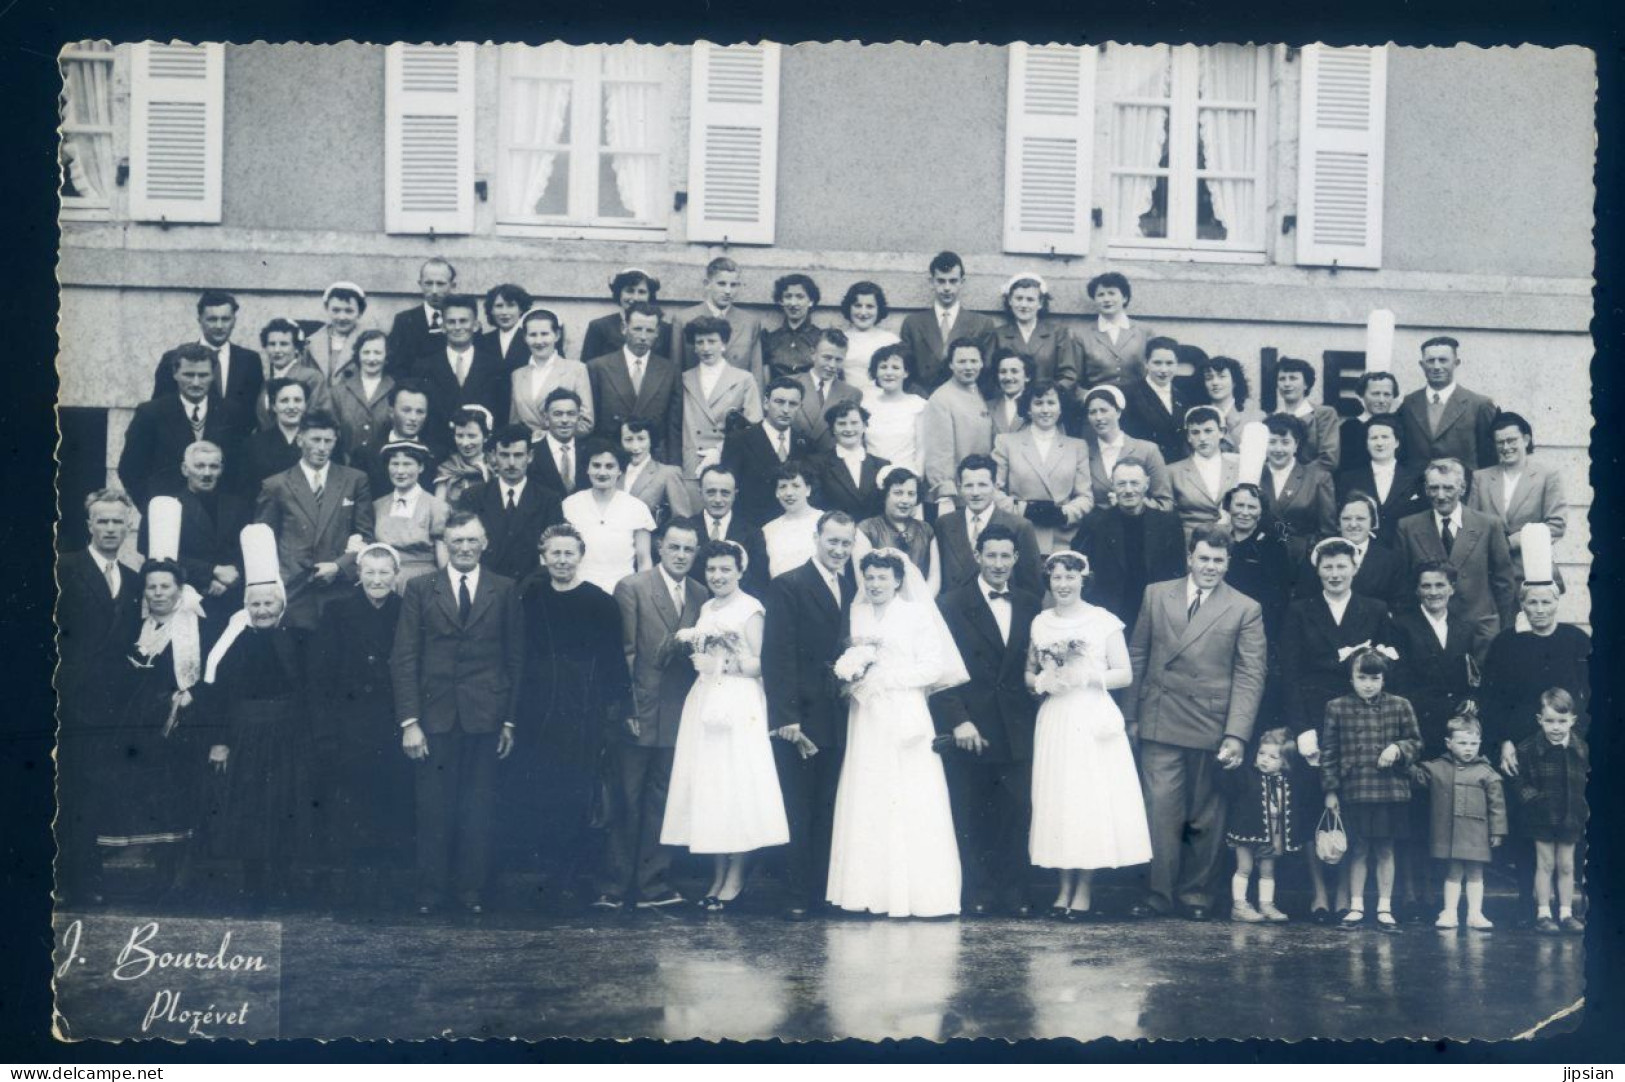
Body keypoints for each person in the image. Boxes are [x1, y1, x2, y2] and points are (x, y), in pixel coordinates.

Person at [1124, 527, 1267, 921]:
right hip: (1159, 718)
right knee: (1160, 810)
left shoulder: (1244, 607)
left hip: (1212, 724)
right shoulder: (1156, 594)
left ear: (1228, 563)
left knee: (1206, 815)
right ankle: (1158, 895)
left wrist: (1237, 734)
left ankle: (1197, 896)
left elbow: (1250, 674)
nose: (1210, 567)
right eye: (1204, 558)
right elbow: (1137, 655)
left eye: (1219, 560)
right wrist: (1131, 715)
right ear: (1190, 557)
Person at [393, 512, 524, 916]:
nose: (464, 548)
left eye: (471, 541)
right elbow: (404, 656)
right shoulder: (420, 588)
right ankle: (430, 894)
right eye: (456, 542)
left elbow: (514, 659)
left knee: (478, 809)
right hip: (434, 719)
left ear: (484, 542)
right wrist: (410, 721)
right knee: (433, 809)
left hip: (485, 717)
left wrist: (508, 720)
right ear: (444, 546)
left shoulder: (504, 589)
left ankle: (472, 893)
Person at [826, 549, 968, 918]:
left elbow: (933, 667)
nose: (875, 584)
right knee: (869, 790)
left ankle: (919, 895)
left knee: (910, 793)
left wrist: (887, 680)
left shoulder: (916, 614)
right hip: (867, 715)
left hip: (904, 709)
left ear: (898, 580)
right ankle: (865, 891)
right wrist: (855, 678)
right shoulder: (856, 613)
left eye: (882, 578)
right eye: (869, 577)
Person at [661, 540, 790, 910]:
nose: (717, 576)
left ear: (739, 571)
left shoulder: (751, 610)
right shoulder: (706, 607)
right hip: (706, 701)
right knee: (712, 789)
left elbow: (765, 663)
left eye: (725, 570)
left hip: (738, 703)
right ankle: (717, 875)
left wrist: (722, 667)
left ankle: (736, 876)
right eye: (712, 570)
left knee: (735, 787)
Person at [1025, 551, 1151, 920]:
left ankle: (1084, 888)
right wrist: (1046, 681)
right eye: (1057, 578)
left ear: (1083, 579)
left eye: (1070, 577)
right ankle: (1063, 886)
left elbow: (1125, 673)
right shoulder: (1041, 622)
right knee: (1061, 799)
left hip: (1092, 715)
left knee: (1088, 799)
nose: (1063, 585)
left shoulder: (1103, 621)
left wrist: (1087, 677)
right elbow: (1030, 673)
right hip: (1057, 716)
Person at [515, 524, 632, 904]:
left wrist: (613, 711)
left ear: (580, 556)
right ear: (543, 557)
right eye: (555, 553)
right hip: (540, 709)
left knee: (580, 794)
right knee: (542, 791)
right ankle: (549, 875)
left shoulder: (599, 602)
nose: (562, 560)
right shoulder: (530, 599)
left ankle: (574, 876)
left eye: (569, 553)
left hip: (584, 710)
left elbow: (614, 660)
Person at [931, 524, 1039, 917]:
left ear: (1016, 559)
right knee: (972, 814)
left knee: (1015, 811)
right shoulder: (950, 603)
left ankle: (1013, 892)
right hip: (972, 727)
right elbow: (939, 669)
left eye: (1005, 556)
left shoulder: (1031, 603)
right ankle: (976, 892)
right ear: (977, 556)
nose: (998, 564)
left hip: (1017, 726)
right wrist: (958, 721)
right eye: (990, 555)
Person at [199, 525, 308, 911]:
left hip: (287, 734)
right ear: (247, 607)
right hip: (246, 734)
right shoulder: (235, 644)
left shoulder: (298, 639)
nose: (263, 611)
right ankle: (253, 884)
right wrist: (219, 740)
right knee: (249, 807)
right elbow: (220, 695)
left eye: (269, 604)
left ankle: (283, 882)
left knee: (283, 805)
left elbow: (305, 690)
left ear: (281, 606)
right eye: (256, 604)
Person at [603, 522, 705, 910]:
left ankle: (653, 883)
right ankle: (614, 883)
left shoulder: (700, 592)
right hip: (640, 709)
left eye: (689, 549)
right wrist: (626, 706)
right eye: (675, 547)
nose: (681, 555)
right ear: (660, 547)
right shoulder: (634, 587)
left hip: (680, 712)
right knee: (627, 797)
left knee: (664, 799)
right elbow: (626, 652)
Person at [761, 511, 859, 920]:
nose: (839, 550)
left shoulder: (855, 584)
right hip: (802, 714)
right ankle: (797, 892)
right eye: (832, 541)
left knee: (829, 803)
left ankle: (823, 890)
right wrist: (787, 716)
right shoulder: (789, 585)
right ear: (816, 538)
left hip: (841, 712)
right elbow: (777, 654)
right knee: (800, 804)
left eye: (846, 543)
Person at [98, 554, 211, 902]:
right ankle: (154, 877)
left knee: (177, 795)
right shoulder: (137, 626)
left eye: (166, 586)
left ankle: (178, 878)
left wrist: (189, 697)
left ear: (179, 591)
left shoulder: (196, 628)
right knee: (145, 796)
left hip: (179, 725)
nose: (159, 593)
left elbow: (210, 674)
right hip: (138, 725)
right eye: (152, 587)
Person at [311, 543, 413, 909]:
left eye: (385, 572)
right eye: (369, 572)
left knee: (389, 800)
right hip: (349, 724)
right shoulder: (337, 612)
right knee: (352, 804)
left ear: (396, 575)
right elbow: (321, 677)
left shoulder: (405, 611)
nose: (377, 579)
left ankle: (386, 882)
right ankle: (353, 883)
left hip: (391, 720)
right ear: (358, 575)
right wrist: (326, 731)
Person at [55, 489, 144, 905]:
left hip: (110, 704)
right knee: (66, 790)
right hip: (65, 701)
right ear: (89, 525)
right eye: (103, 521)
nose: (110, 528)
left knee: (94, 788)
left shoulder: (132, 577)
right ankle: (66, 878)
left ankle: (86, 879)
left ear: (129, 526)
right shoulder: (63, 568)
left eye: (118, 522)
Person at [1320, 645, 1421, 930]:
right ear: (1351, 678)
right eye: (1362, 678)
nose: (1368, 685)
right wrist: (1330, 791)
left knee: (1386, 849)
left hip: (1390, 789)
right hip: (1356, 788)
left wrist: (1398, 749)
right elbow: (1329, 752)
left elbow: (1416, 742)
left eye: (1375, 679)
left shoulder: (1400, 705)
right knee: (1359, 848)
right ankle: (1356, 906)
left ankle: (1385, 907)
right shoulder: (1337, 707)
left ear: (1384, 680)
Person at [254, 410, 374, 630]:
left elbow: (366, 535)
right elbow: (264, 543)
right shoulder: (276, 485)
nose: (322, 447)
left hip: (340, 587)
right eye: (315, 439)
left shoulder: (354, 480)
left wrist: (338, 567)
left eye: (328, 441)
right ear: (300, 439)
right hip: (294, 588)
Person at [1395, 458, 1517, 642]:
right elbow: (1403, 585)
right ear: (1426, 490)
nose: (1441, 495)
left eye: (1448, 488)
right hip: (1430, 631)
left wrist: (1505, 631)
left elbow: (1504, 583)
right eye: (1434, 488)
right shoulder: (1408, 527)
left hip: (1480, 627)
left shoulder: (1489, 525)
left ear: (1463, 488)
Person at [1411, 707, 1507, 931]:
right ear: (1449, 743)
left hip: (1476, 833)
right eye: (1462, 743)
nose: (1468, 749)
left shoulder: (1487, 772)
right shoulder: (1438, 768)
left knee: (1475, 873)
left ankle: (1475, 913)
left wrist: (1497, 831)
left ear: (1480, 743)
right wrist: (1401, 757)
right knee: (1453, 872)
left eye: (1473, 744)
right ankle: (1450, 912)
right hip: (1450, 834)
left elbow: (1497, 806)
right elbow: (1416, 777)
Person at [1071, 459, 1187, 636]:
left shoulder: (1168, 523)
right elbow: (1080, 571)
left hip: (1155, 614)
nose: (1128, 490)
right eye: (1121, 484)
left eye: (1134, 483)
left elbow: (1178, 574)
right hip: (1108, 614)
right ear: (1113, 486)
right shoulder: (1095, 524)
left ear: (1146, 484)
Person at [120, 345, 244, 508]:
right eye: (188, 375)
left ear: (213, 375)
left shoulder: (231, 412)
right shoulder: (151, 413)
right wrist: (152, 506)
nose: (196, 382)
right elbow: (130, 468)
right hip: (168, 511)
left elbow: (239, 467)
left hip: (218, 514)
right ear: (175, 374)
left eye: (203, 375)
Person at [1512, 688, 1588, 935]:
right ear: (1539, 720)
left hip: (1570, 815)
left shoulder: (1581, 749)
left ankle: (1566, 913)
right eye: (1550, 721)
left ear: (1573, 721)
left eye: (1562, 721)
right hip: (1541, 816)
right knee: (1544, 864)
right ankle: (1543, 913)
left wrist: (1584, 807)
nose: (1556, 727)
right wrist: (1535, 800)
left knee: (1566, 865)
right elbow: (1520, 783)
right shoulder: (1527, 750)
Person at [1391, 562, 1488, 754]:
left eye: (1440, 585)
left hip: (1457, 727)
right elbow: (1400, 682)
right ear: (1417, 590)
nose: (1433, 592)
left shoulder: (1465, 628)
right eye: (1426, 586)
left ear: (1451, 588)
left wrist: (1471, 698)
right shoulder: (1401, 627)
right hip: (1420, 722)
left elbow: (1472, 676)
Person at [1466, 411, 1569, 586]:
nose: (1506, 447)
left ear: (1526, 440)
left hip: (1532, 572)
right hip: (1490, 576)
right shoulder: (1480, 478)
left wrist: (1513, 542)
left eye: (1511, 440)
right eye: (1500, 442)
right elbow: (1471, 525)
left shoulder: (1547, 475)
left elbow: (1556, 525)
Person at [992, 379, 1092, 554]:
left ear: (1060, 409)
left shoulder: (1076, 446)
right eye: (1038, 403)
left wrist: (1063, 513)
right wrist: (1023, 509)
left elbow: (1086, 497)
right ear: (1028, 409)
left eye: (1051, 403)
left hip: (1061, 538)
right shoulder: (1006, 442)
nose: (1045, 410)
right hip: (1018, 535)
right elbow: (993, 491)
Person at [1220, 728, 1309, 923]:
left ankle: (1266, 904)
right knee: (1244, 868)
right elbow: (1227, 786)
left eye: (1272, 756)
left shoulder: (1288, 782)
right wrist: (1225, 764)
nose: (1264, 759)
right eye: (1261, 753)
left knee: (1268, 871)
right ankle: (1239, 906)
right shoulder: (1247, 776)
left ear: (1284, 762)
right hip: (1246, 831)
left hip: (1273, 834)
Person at [933, 454, 1044, 598]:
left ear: (995, 486)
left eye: (982, 485)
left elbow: (1033, 589)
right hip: (953, 615)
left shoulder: (1019, 526)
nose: (975, 493)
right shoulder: (944, 524)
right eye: (969, 485)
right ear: (959, 488)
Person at [152, 290, 263, 431]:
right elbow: (160, 407)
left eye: (225, 319)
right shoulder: (174, 357)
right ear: (200, 320)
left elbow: (253, 411)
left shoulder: (250, 360)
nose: (219, 326)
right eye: (212, 319)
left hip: (235, 445)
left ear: (234, 321)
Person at [464, 424, 563, 580]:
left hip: (531, 586)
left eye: (518, 455)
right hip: (485, 585)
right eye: (504, 455)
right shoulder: (474, 497)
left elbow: (554, 548)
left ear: (530, 456)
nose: (511, 463)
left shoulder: (548, 499)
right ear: (493, 456)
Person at [678, 316, 764, 493]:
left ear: (723, 344)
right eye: (700, 342)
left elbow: (754, 425)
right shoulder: (683, 379)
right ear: (693, 347)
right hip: (692, 462)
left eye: (712, 341)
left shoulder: (743, 379)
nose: (706, 348)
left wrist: (719, 450)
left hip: (728, 460)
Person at [407, 293, 510, 440]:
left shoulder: (496, 366)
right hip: (437, 450)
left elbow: (502, 416)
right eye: (451, 322)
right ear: (443, 327)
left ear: (475, 325)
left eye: (463, 321)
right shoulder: (423, 366)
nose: (457, 327)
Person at [586, 301, 682, 459]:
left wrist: (674, 464)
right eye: (637, 329)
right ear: (624, 328)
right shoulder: (598, 367)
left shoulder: (670, 371)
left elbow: (674, 426)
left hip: (653, 458)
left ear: (657, 332)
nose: (643, 337)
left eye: (649, 330)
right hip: (610, 457)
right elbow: (593, 424)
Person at [1395, 336, 1500, 473]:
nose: (1437, 366)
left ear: (1456, 363)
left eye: (1443, 360)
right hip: (1415, 488)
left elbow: (1490, 458)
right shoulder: (1409, 403)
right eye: (1431, 361)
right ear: (1422, 364)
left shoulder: (1479, 405)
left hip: (1462, 489)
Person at [563, 440, 656, 593]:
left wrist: (641, 595)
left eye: (610, 466)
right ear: (587, 468)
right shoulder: (570, 505)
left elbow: (644, 560)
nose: (602, 472)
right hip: (579, 589)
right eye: (596, 465)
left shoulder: (637, 507)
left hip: (623, 591)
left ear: (620, 470)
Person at [1292, 491, 1409, 611]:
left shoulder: (1390, 561)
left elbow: (1399, 605)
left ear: (1372, 522)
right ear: (1338, 522)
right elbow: (1303, 599)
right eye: (1346, 518)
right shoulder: (1320, 553)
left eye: (1360, 518)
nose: (1353, 524)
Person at [168, 442, 252, 610]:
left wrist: (231, 578)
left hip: (233, 598)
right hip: (186, 598)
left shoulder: (237, 506)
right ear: (185, 469)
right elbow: (162, 557)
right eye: (199, 466)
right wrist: (211, 573)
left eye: (213, 466)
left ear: (220, 470)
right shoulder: (169, 507)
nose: (207, 473)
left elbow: (249, 550)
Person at [897, 251, 997, 391]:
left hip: (965, 398)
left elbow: (987, 370)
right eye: (941, 281)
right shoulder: (913, 323)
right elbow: (904, 368)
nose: (947, 288)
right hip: (923, 400)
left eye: (953, 281)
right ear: (931, 282)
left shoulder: (982, 324)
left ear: (962, 282)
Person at [722, 377, 812, 527]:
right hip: (753, 527)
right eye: (779, 402)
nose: (785, 409)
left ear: (800, 407)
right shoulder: (739, 440)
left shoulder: (805, 444)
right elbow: (730, 489)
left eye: (793, 404)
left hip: (794, 526)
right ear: (765, 403)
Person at [923, 339, 996, 514]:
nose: (968, 367)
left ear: (981, 363)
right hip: (959, 494)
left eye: (973, 361)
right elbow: (939, 452)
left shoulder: (979, 392)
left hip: (982, 488)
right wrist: (947, 492)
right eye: (962, 361)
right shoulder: (942, 398)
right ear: (951, 365)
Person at [670, 257, 765, 382]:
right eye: (721, 284)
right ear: (707, 284)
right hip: (698, 396)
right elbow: (676, 369)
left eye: (733, 285)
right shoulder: (683, 319)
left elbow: (756, 374)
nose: (728, 291)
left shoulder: (749, 323)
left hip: (736, 397)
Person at [1258, 413, 1336, 566]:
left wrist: (1308, 553)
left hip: (1302, 560)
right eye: (1272, 442)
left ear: (1296, 445)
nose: (1278, 449)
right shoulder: (1255, 476)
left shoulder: (1318, 478)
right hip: (1260, 558)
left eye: (1285, 442)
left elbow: (1328, 530)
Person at [1336, 415, 1425, 547]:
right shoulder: (1349, 479)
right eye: (1374, 438)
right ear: (1366, 444)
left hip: (1406, 549)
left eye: (1385, 437)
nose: (1379, 443)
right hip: (1365, 551)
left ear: (1396, 442)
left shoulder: (1415, 478)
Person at [1081, 385, 1173, 512]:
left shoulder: (1147, 450)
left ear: (1118, 412)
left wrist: (1136, 503)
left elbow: (1165, 504)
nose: (1098, 417)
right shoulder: (1084, 453)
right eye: (1092, 412)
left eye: (1104, 410)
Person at [372, 441, 449, 592]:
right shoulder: (378, 506)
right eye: (395, 464)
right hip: (384, 582)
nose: (400, 471)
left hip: (423, 582)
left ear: (421, 467)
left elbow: (442, 554)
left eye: (407, 464)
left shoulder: (436, 507)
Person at [684, 465, 769, 599]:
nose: (718, 500)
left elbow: (759, 582)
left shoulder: (752, 533)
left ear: (735, 494)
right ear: (700, 492)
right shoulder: (686, 529)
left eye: (725, 493)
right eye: (711, 492)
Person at [853, 465, 939, 595]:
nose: (905, 500)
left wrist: (922, 604)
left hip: (922, 605)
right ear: (885, 495)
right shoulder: (866, 529)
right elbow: (863, 579)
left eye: (911, 494)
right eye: (898, 493)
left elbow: (935, 576)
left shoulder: (926, 530)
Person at [509, 306, 594, 437]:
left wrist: (548, 437)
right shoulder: (517, 375)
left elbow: (586, 423)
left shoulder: (576, 370)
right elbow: (514, 423)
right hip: (528, 450)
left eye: (544, 334)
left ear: (557, 335)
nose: (539, 341)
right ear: (525, 338)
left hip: (562, 448)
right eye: (532, 335)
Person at [988, 273, 1080, 392]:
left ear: (1040, 303)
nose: (1024, 305)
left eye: (1030, 300)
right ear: (1010, 301)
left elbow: (1069, 375)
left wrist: (1049, 395)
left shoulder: (1057, 334)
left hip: (1045, 403)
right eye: (1019, 298)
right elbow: (990, 374)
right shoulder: (998, 335)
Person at [1167, 406, 1240, 540]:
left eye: (1208, 431)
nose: (1202, 438)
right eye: (1195, 432)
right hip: (1190, 543)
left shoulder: (1238, 469)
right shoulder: (1173, 472)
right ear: (1188, 436)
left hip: (1230, 542)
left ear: (1221, 432)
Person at [349, 381, 435, 495]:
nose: (413, 417)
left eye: (420, 412)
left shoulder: (435, 456)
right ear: (391, 412)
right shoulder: (365, 455)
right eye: (406, 410)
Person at [1120, 337, 1193, 466]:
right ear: (1146, 363)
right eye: (1157, 363)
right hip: (1143, 466)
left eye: (1169, 363)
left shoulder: (1182, 397)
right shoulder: (1129, 395)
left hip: (1176, 467)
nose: (1163, 370)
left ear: (1177, 364)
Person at [811, 399, 888, 521]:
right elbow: (816, 506)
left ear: (864, 426)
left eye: (854, 423)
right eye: (841, 424)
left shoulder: (882, 465)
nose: (848, 428)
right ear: (833, 429)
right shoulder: (817, 464)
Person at [1072, 271, 1152, 388]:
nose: (1106, 299)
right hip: (1098, 401)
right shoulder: (1081, 336)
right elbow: (1076, 381)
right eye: (1101, 295)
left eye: (1111, 293)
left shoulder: (1144, 332)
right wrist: (1090, 398)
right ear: (1094, 300)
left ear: (1124, 298)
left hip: (1138, 401)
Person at [791, 328, 863, 455]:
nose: (832, 365)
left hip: (831, 467)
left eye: (838, 360)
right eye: (827, 358)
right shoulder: (790, 385)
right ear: (813, 354)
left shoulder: (852, 394)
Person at [861, 343, 928, 477]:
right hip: (871, 478)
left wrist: (916, 479)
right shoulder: (865, 404)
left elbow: (922, 450)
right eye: (883, 367)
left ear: (906, 373)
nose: (889, 373)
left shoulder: (919, 405)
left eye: (896, 368)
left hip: (906, 478)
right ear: (876, 372)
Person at [580, 268, 674, 363]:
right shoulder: (599, 327)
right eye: (629, 291)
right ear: (619, 294)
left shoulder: (665, 329)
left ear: (649, 296)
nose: (635, 298)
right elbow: (588, 367)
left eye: (642, 292)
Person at [328, 329, 396, 456]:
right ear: (358, 355)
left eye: (377, 353)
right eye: (366, 352)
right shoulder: (339, 392)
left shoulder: (395, 389)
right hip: (347, 467)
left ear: (386, 355)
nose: (371, 358)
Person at [386, 257, 457, 375]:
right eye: (428, 283)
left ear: (452, 285)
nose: (434, 290)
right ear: (420, 284)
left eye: (440, 284)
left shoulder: (462, 321)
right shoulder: (404, 321)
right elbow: (395, 366)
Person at [240, 378, 311, 493]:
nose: (291, 406)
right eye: (284, 401)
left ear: (305, 405)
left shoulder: (319, 442)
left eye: (297, 400)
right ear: (274, 406)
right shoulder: (254, 445)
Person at [620, 419, 695, 526]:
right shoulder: (614, 473)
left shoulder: (668, 473)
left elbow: (682, 519)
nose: (635, 447)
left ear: (651, 441)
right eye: (628, 439)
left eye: (641, 439)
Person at [256, 318, 327, 429]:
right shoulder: (266, 382)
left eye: (284, 344)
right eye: (272, 344)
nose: (277, 350)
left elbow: (315, 418)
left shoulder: (311, 378)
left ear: (296, 348)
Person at [1272, 357, 1340, 472]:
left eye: (1293, 378)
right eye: (1282, 379)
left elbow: (1329, 460)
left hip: (1312, 484)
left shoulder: (1324, 415)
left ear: (1306, 384)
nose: (1287, 384)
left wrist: (1294, 478)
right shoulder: (1271, 419)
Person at [761, 462, 825, 579]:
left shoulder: (824, 521)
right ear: (776, 493)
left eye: (795, 486)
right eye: (783, 487)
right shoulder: (768, 530)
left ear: (808, 490)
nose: (789, 493)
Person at [526, 388, 593, 497]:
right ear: (546, 418)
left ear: (579, 418)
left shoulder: (589, 451)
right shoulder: (531, 453)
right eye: (558, 414)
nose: (565, 420)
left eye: (571, 414)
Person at [837, 280, 900, 394]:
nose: (863, 312)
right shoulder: (839, 339)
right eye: (858, 306)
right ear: (849, 307)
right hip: (847, 398)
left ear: (879, 309)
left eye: (870, 306)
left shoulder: (890, 340)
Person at [304, 281, 368, 386]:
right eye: (336, 310)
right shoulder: (311, 343)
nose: (341, 317)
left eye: (349, 311)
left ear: (360, 313)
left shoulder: (368, 342)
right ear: (327, 309)